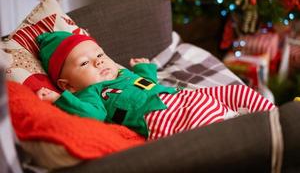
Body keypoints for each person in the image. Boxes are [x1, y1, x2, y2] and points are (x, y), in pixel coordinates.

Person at [36, 31, 276, 140]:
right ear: (68, 85)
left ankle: (273, 117)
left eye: (100, 55)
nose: (99, 62)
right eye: (85, 63)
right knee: (211, 126)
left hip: (179, 97)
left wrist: (145, 69)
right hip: (162, 118)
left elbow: (148, 84)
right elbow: (92, 115)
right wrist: (60, 101)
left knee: (234, 91)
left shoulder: (123, 74)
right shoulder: (92, 92)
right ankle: (248, 136)